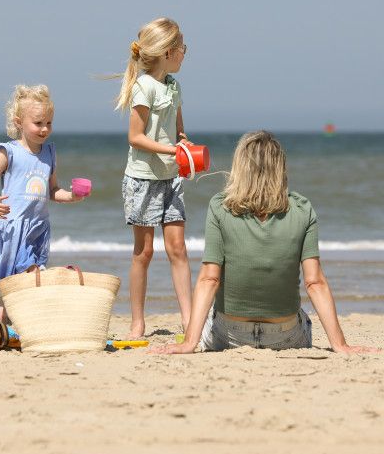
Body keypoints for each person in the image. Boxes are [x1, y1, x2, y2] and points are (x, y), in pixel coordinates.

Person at [154, 131, 379, 355]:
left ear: (240, 166)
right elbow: (315, 283)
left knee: (208, 319)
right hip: (286, 335)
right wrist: (340, 345)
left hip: (230, 335)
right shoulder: (302, 208)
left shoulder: (221, 206)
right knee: (303, 318)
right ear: (280, 168)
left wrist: (189, 343)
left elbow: (209, 278)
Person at [0, 84, 88, 322]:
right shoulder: (8, 152)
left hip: (38, 227)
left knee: (25, 277)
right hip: (14, 226)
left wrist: (72, 196)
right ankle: (11, 320)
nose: (44, 129)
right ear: (19, 122)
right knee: (17, 277)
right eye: (38, 123)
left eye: (49, 123)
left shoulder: (49, 153)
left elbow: (52, 190)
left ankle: (7, 322)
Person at [115, 17, 192, 339]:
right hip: (143, 178)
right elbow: (135, 137)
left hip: (171, 177)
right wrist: (170, 150)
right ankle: (137, 322)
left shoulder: (173, 86)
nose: (185, 54)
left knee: (178, 249)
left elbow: (178, 130)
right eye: (183, 48)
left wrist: (185, 146)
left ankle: (190, 320)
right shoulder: (144, 86)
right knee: (143, 252)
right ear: (169, 52)